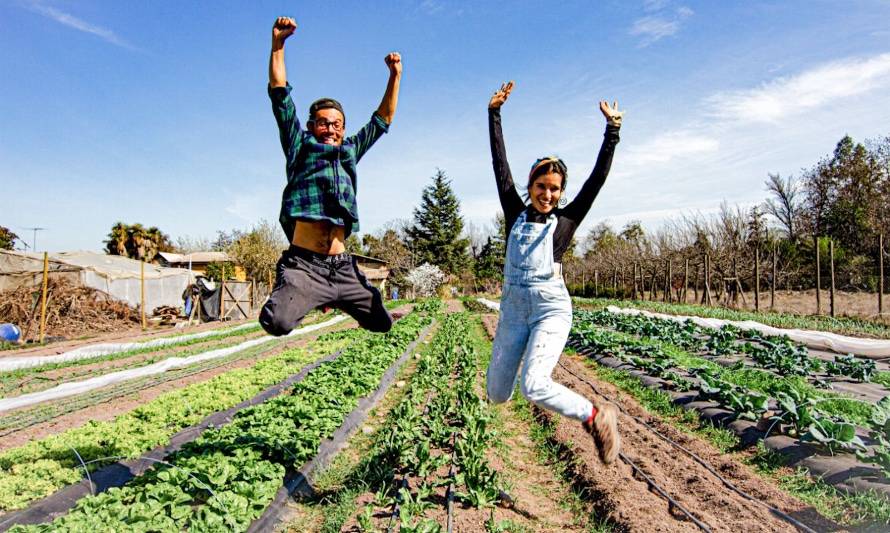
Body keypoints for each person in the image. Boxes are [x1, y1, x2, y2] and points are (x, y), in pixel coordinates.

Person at [486, 81, 622, 463]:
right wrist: (494, 114)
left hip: (550, 308)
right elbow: (500, 166)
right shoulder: (514, 211)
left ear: (561, 192)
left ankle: (596, 417)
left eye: (555, 189)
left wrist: (612, 133)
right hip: (513, 312)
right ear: (530, 187)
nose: (548, 194)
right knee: (497, 393)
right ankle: (513, 361)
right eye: (541, 186)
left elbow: (597, 180)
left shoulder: (566, 221)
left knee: (533, 385)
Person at [259, 16, 402, 336]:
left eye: (336, 123)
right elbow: (280, 96)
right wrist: (278, 47)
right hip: (305, 267)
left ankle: (339, 295)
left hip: (341, 266)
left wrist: (395, 76)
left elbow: (383, 119)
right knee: (277, 323)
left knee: (382, 324)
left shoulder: (350, 151)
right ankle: (304, 293)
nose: (330, 128)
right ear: (312, 126)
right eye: (323, 122)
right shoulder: (300, 146)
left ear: (343, 129)